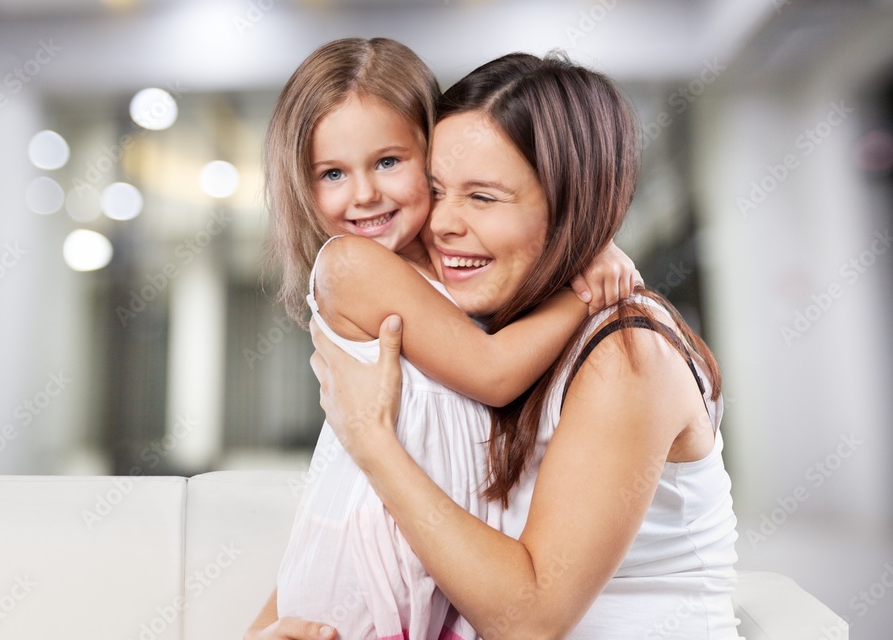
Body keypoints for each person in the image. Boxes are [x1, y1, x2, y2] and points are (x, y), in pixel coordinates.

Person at [309, 52, 740, 639]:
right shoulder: (490, 341)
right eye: (436, 190)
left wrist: (374, 444)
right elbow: (353, 517)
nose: (442, 225)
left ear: (570, 207)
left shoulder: (626, 354)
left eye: (483, 197)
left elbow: (530, 619)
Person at [247, 39, 640, 640]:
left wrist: (585, 243)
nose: (364, 194)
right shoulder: (351, 266)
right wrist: (584, 290)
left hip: (436, 583)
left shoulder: (450, 257)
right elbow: (493, 371)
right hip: (364, 585)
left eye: (388, 162)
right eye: (332, 173)